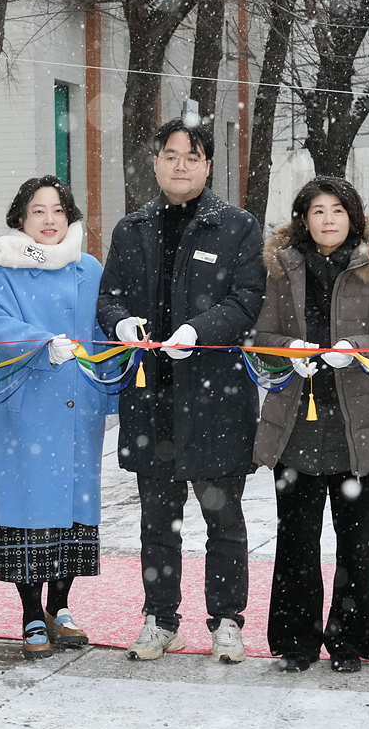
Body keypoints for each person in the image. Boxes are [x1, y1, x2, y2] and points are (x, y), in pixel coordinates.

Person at [97, 117, 265, 663]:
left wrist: (199, 331)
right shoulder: (132, 229)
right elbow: (109, 301)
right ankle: (160, 618)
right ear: (155, 162)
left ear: (208, 165)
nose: (180, 165)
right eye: (170, 155)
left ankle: (227, 620)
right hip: (151, 399)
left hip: (216, 397)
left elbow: (246, 301)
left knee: (223, 517)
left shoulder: (237, 227)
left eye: (192, 156)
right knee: (157, 521)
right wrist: (121, 323)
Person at [253, 177, 369, 674]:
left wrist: (355, 349)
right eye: (316, 210)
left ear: (353, 216)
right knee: (296, 539)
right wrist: (288, 350)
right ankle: (297, 641)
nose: (327, 219)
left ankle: (349, 640)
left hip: (357, 423)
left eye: (337, 210)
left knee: (355, 543)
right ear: (303, 219)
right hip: (298, 420)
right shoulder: (281, 267)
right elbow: (262, 332)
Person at [0, 176, 115, 659]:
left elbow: (106, 325)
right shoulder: (2, 267)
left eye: (57, 210)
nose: (49, 220)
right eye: (38, 211)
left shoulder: (88, 268)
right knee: (28, 516)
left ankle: (62, 605)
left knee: (73, 513)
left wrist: (123, 350)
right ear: (20, 220)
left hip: (77, 409)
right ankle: (31, 610)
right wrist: (37, 345)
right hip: (21, 410)